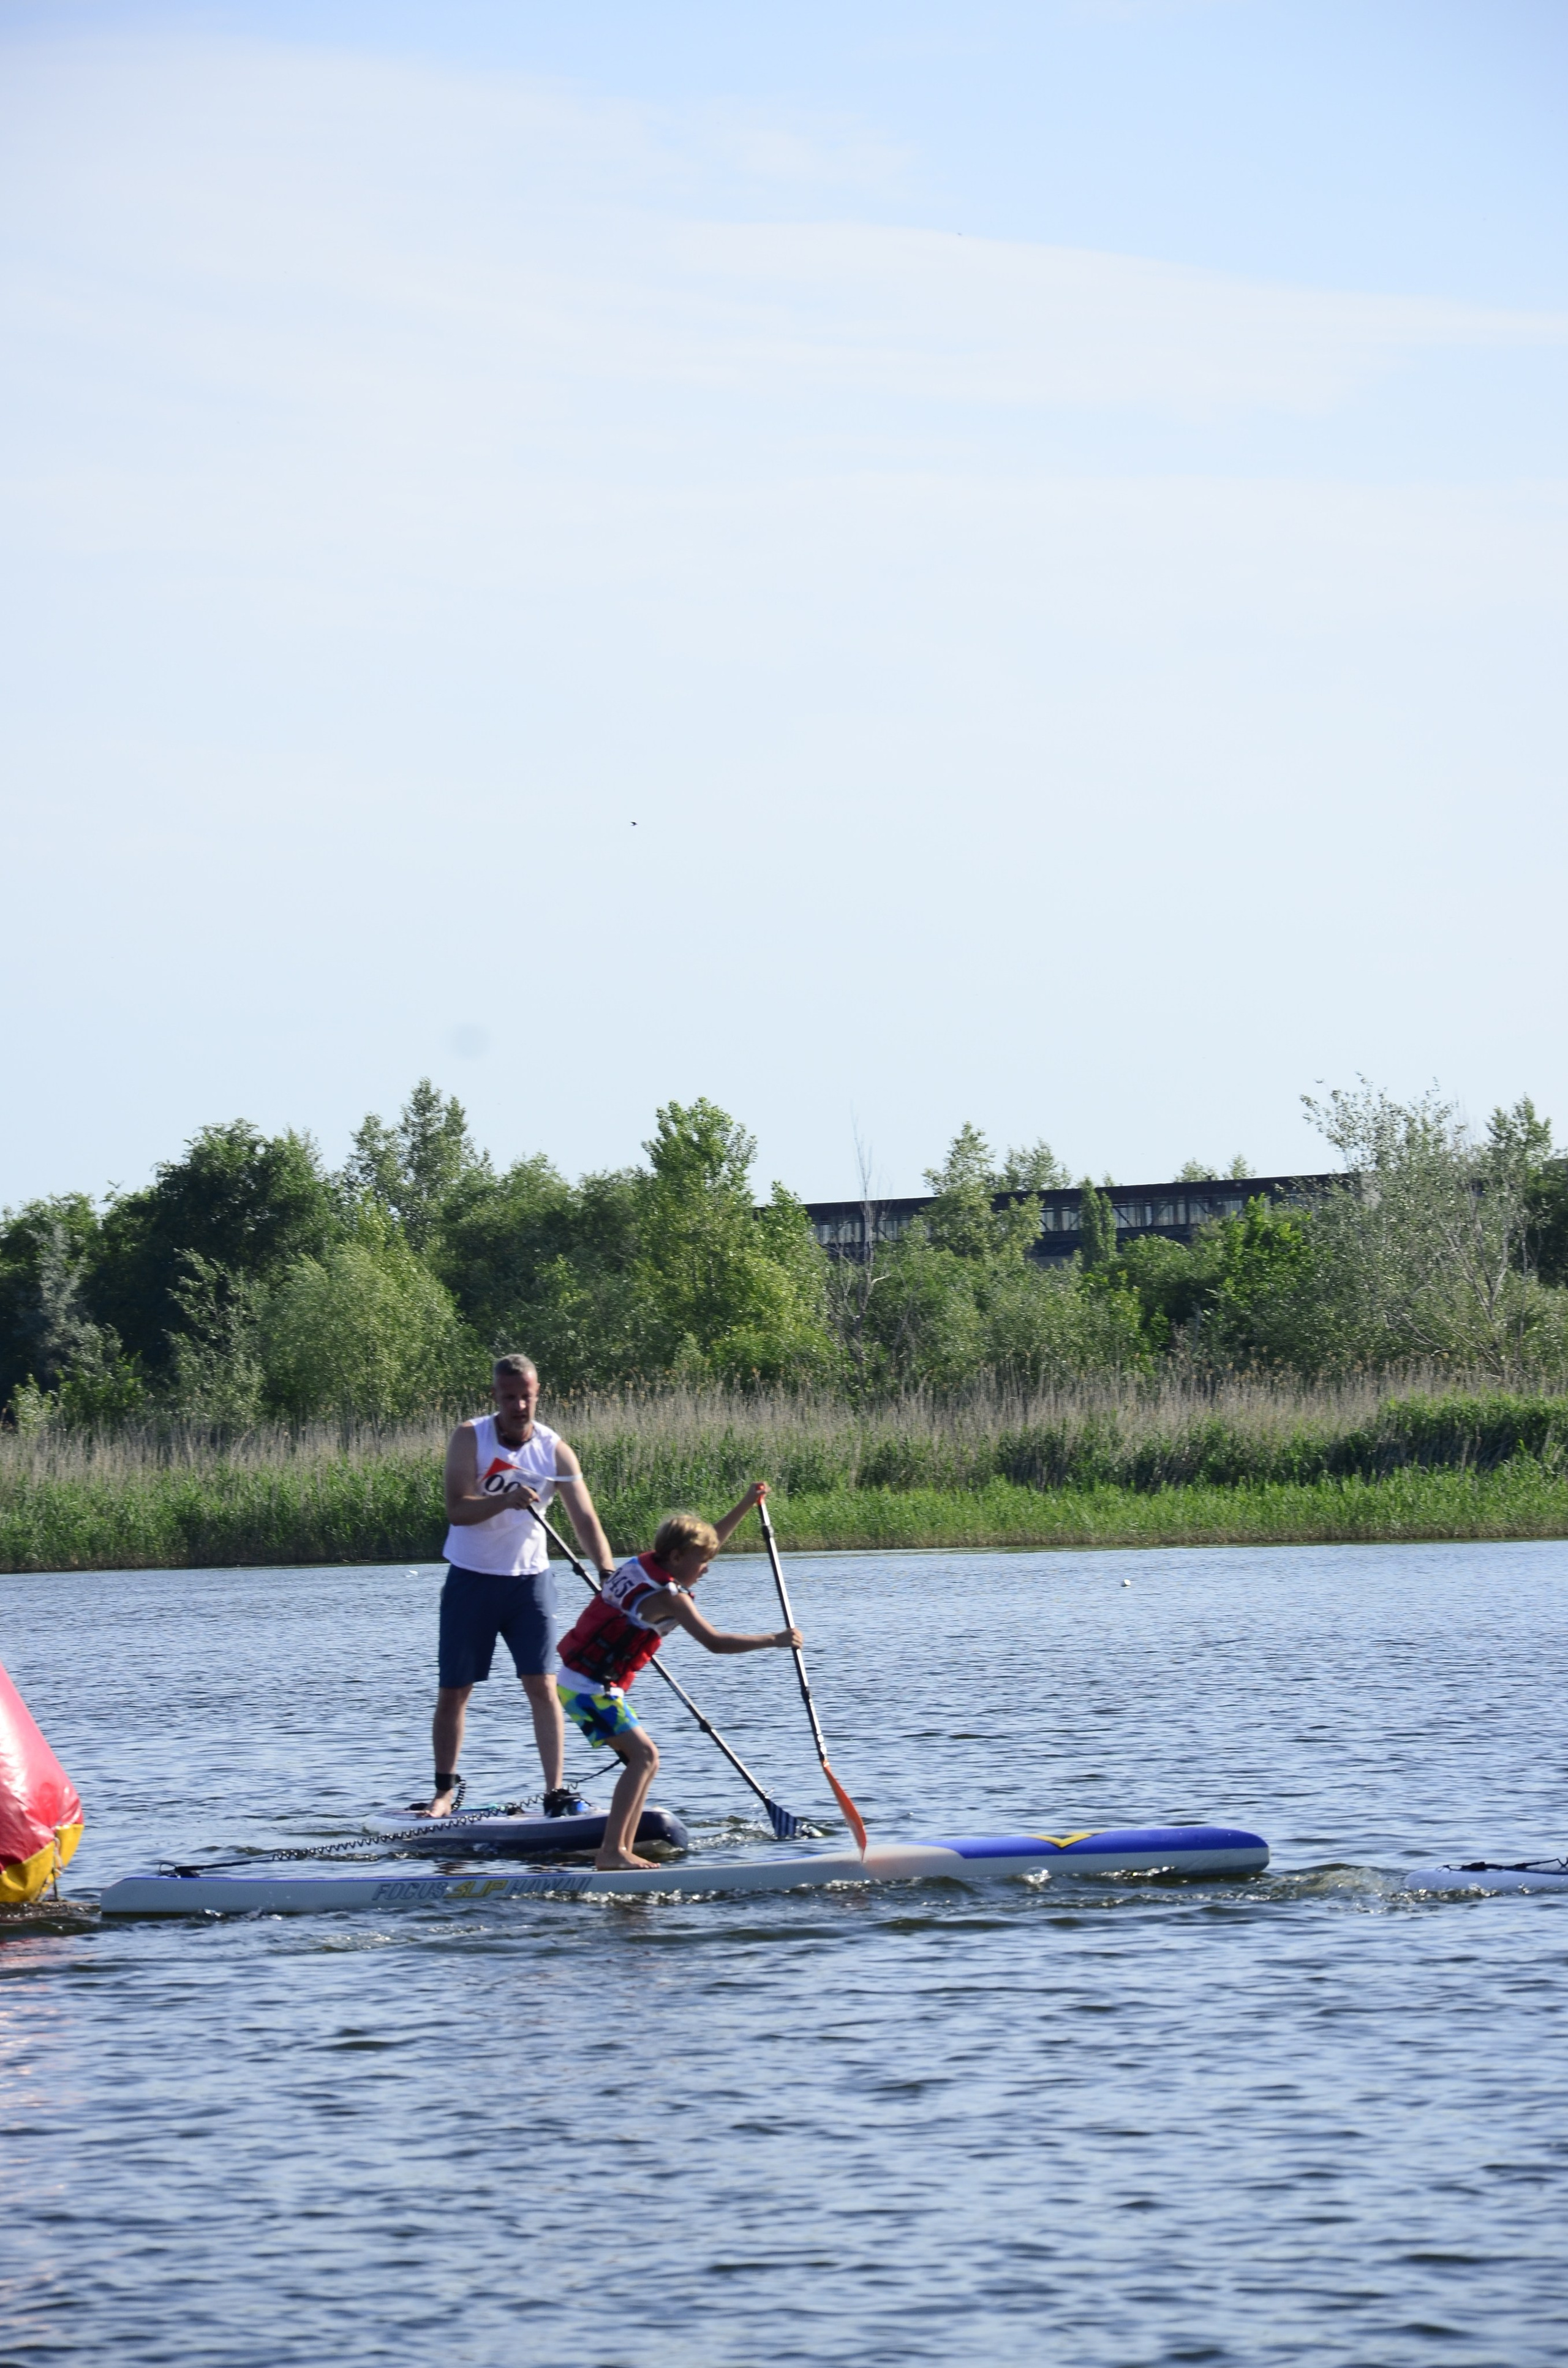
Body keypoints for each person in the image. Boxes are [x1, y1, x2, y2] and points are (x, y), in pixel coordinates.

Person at [553, 1483, 800, 1870]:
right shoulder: (670, 1597)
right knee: (644, 1757)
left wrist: (745, 1504)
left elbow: (707, 1541)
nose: (707, 1568)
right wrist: (775, 1639)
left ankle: (621, 1849)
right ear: (677, 1556)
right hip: (589, 1688)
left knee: (645, 1760)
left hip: (583, 1682)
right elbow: (715, 1643)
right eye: (702, 1561)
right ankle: (612, 1852)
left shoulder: (644, 1564)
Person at [421, 1353, 615, 1818]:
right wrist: (506, 1499)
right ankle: (444, 1792)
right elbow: (457, 1509)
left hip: (530, 1584)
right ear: (495, 1396)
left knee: (543, 1686)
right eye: (509, 1397)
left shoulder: (554, 1450)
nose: (519, 1406)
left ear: (537, 1393)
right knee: (455, 1690)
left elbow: (585, 1518)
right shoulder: (470, 1436)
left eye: (526, 1396)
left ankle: (555, 1791)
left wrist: (607, 1574)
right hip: (472, 1579)